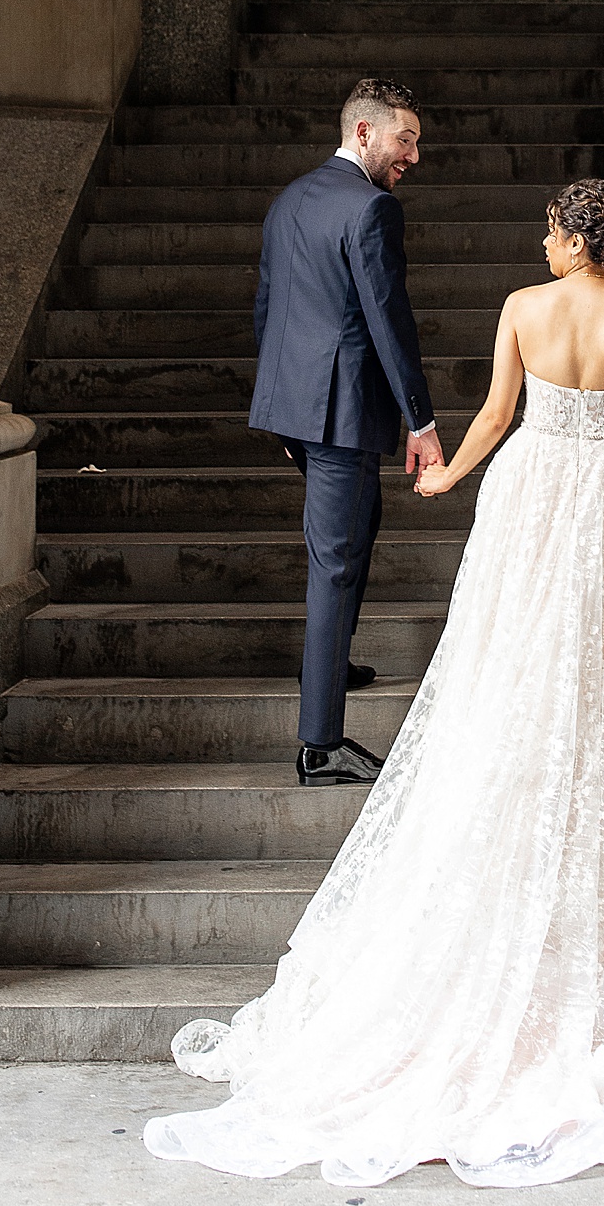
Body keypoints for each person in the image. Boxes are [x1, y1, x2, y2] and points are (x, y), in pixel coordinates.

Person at [145, 177, 604, 1190]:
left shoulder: (522, 307)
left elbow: (498, 412)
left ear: (572, 236)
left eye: (549, 228)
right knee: (597, 679)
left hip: (532, 493)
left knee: (505, 669)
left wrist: (448, 477)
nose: (541, 242)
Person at [247, 77, 443, 785]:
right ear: (364, 133)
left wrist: (283, 408)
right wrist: (420, 422)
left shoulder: (289, 199)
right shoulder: (371, 209)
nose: (413, 155)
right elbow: (388, 320)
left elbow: (270, 305)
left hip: (301, 408)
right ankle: (321, 743)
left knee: (356, 533)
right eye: (406, 139)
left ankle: (330, 665)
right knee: (335, 561)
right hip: (343, 412)